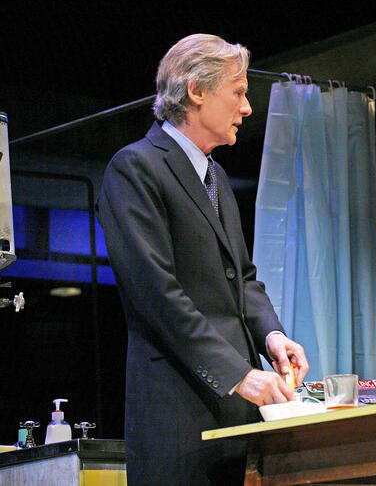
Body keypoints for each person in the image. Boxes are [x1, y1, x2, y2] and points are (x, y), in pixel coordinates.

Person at [97, 34, 309, 486]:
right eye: (238, 92)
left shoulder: (216, 177)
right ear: (196, 91)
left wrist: (272, 335)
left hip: (238, 417)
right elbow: (156, 294)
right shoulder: (134, 168)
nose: (247, 107)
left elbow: (243, 279)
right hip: (177, 418)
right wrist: (240, 375)